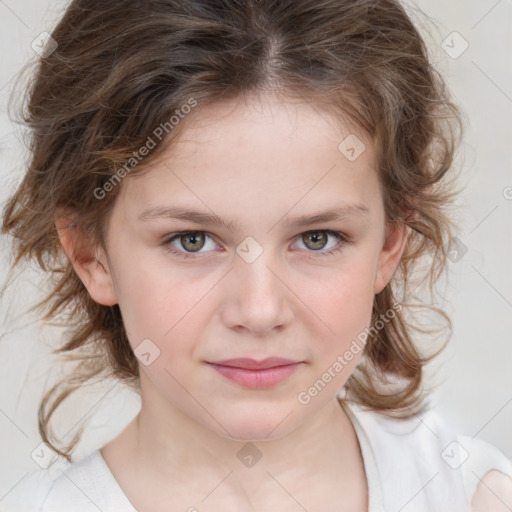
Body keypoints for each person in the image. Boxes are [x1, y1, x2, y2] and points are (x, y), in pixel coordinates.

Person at [1, 0, 511, 510]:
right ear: (93, 255)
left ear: (389, 242)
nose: (260, 310)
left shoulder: (474, 496)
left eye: (317, 238)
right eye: (192, 240)